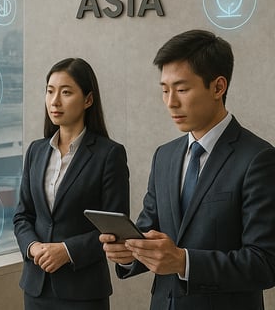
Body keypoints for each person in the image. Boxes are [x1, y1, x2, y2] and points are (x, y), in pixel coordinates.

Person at [100, 29, 275, 310]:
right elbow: (150, 229)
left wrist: (184, 261)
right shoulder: (164, 156)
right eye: (164, 90)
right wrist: (130, 252)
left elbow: (265, 262)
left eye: (181, 89)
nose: (170, 102)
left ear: (218, 87)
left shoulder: (258, 158)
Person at [13, 57, 129, 310]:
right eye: (50, 91)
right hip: (36, 287)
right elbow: (23, 215)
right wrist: (33, 248)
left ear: (88, 100)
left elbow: (115, 228)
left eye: (66, 92)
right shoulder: (36, 150)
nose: (54, 101)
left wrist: (67, 251)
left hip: (84, 291)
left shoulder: (109, 155)